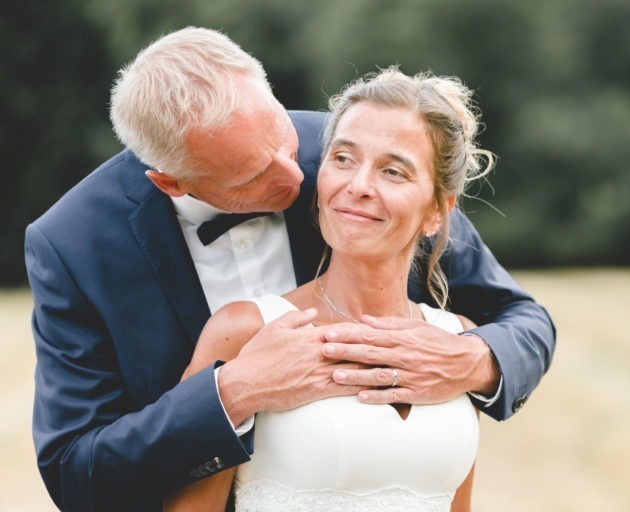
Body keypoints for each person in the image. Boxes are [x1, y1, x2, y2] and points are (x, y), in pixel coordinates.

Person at [24, 27, 555, 512]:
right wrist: (232, 394)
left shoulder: (351, 154)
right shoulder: (75, 244)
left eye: (282, 136)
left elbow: (521, 320)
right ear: (172, 182)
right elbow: (77, 471)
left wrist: (471, 361)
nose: (298, 175)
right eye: (253, 173)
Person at [164, 66, 504, 512]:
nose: (358, 186)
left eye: (393, 171)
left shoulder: (455, 344)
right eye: (343, 158)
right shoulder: (245, 331)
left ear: (437, 212)